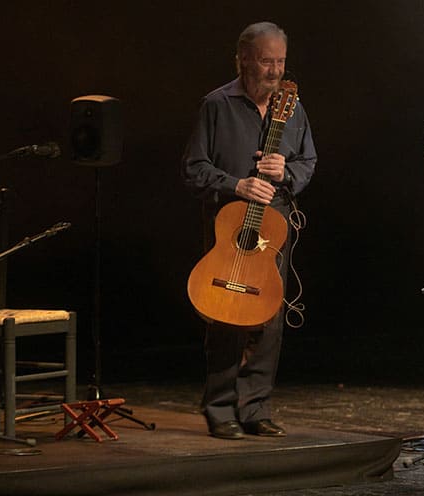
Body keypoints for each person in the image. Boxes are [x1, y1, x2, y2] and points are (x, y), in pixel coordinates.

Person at [181, 21, 317, 440]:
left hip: (273, 226)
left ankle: (255, 407)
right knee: (227, 314)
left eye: (280, 61)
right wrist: (235, 183)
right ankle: (220, 408)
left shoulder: (291, 105)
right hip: (230, 225)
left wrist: (287, 171)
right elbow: (193, 168)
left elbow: (309, 162)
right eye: (265, 61)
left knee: (270, 318)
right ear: (242, 59)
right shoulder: (216, 105)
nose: (274, 71)